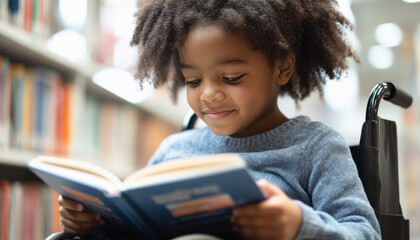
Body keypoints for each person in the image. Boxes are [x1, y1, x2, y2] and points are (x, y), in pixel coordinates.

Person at [58, 0, 381, 239]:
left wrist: (298, 225)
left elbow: (364, 232)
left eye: (231, 77)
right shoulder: (174, 150)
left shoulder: (316, 147)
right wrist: (93, 225)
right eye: (194, 81)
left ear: (282, 67)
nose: (208, 95)